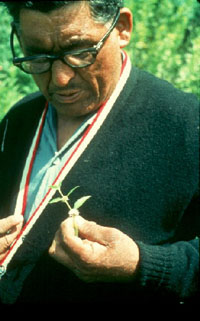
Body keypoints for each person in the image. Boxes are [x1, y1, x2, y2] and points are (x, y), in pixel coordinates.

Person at [0, 0, 199, 305]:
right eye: (37, 54)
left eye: (80, 52)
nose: (60, 80)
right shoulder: (19, 119)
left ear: (121, 28)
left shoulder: (187, 125)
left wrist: (143, 264)